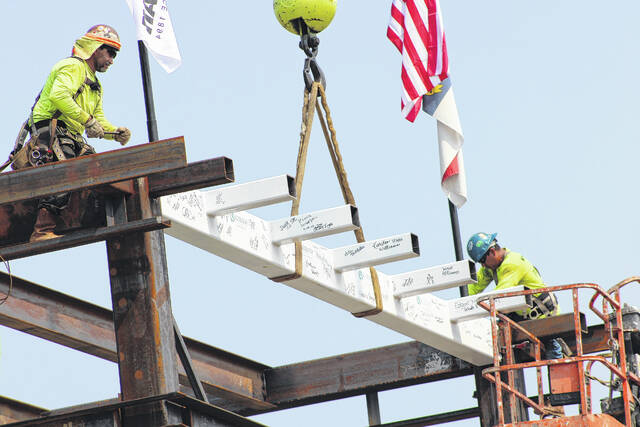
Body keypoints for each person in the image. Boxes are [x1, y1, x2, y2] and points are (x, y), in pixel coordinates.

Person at [24, 25, 131, 242]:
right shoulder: (73, 67)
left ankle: (90, 217)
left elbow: (98, 120)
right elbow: (59, 96)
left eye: (115, 55)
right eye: (110, 52)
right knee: (65, 172)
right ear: (95, 48)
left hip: (71, 134)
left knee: (96, 169)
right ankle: (42, 230)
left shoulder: (95, 84)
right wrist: (88, 121)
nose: (112, 60)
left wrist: (114, 133)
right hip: (51, 129)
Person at [466, 232, 568, 360]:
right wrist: (461, 303)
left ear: (492, 252)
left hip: (543, 316)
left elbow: (500, 295)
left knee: (551, 348)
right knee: (499, 332)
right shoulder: (492, 266)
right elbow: (474, 288)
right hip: (524, 315)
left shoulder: (511, 264)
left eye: (482, 261)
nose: (483, 265)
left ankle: (558, 357)